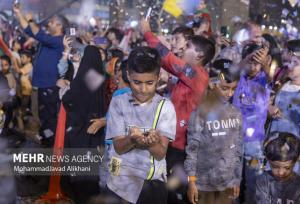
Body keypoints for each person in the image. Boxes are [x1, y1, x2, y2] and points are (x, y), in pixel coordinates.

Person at [141, 18, 214, 203]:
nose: (182, 48)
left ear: (198, 55)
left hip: (182, 148)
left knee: (177, 193)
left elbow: (167, 59)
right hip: (173, 142)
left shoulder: (195, 73)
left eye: (187, 46)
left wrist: (148, 32)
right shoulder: (189, 75)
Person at [105, 46, 176, 204]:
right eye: (137, 82)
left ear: (158, 78)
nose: (143, 89)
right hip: (119, 184)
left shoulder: (165, 107)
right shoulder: (118, 102)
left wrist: (151, 143)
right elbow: (118, 147)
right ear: (128, 75)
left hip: (150, 185)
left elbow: (160, 154)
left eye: (149, 83)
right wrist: (132, 139)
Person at [185, 59, 243, 204]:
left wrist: (236, 178)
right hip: (203, 184)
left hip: (227, 182)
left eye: (233, 89)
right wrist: (191, 182)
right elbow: (192, 150)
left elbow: (238, 149)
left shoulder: (235, 114)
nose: (229, 93)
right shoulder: (200, 113)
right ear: (212, 83)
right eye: (224, 88)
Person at [13, 5, 68, 146]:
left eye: (52, 22)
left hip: (49, 86)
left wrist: (31, 20)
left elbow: (35, 32)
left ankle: (49, 144)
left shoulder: (60, 40)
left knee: (48, 118)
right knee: (43, 116)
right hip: (43, 85)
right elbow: (29, 31)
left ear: (60, 26)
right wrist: (19, 14)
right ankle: (46, 139)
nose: (49, 23)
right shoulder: (50, 38)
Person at [61, 45, 107, 203]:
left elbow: (69, 99)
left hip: (80, 127)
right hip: (96, 126)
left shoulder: (84, 76)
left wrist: (65, 90)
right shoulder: (101, 76)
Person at [232, 43, 271, 203]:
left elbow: (271, 75)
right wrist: (246, 59)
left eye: (257, 64)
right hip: (233, 139)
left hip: (253, 143)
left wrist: (265, 64)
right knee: (232, 182)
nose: (253, 67)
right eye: (250, 62)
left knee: (253, 183)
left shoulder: (263, 80)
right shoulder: (238, 78)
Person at [256, 132, 300, 203]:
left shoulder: (298, 185)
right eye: (275, 166)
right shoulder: (263, 181)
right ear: (268, 161)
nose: (281, 172)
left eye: (287, 168)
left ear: (294, 163)